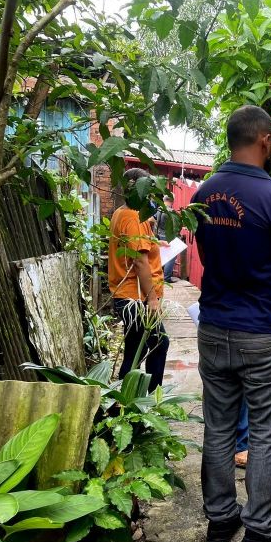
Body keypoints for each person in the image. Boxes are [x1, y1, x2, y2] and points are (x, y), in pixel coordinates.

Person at [193, 105, 271, 542]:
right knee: (263, 433)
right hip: (263, 331)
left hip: (215, 326)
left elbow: (209, 256)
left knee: (218, 428)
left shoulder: (204, 193)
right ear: (264, 139)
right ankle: (261, 530)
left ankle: (221, 523)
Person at [108, 168, 169, 392]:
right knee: (157, 345)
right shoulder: (135, 216)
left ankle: (124, 401)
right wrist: (152, 299)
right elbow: (140, 263)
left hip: (126, 294)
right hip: (137, 298)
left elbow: (135, 250)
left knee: (137, 350)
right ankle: (148, 400)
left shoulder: (121, 212)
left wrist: (154, 242)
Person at [154, 195, 178, 282]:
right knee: (171, 257)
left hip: (159, 234)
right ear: (172, 200)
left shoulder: (159, 209)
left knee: (161, 255)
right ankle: (167, 277)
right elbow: (175, 226)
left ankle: (158, 275)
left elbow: (154, 220)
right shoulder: (170, 211)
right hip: (167, 236)